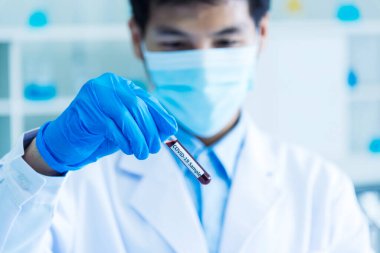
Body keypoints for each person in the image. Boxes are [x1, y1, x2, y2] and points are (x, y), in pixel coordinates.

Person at [0, 0, 374, 252]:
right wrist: (40, 163)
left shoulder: (321, 190)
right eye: (177, 44)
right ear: (137, 38)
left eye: (226, 40)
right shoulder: (75, 184)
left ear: (261, 34)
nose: (205, 64)